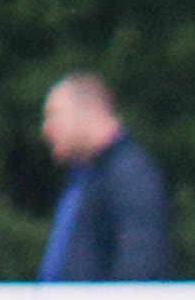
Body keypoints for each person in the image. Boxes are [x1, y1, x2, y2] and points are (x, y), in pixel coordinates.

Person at [37, 73, 170, 282]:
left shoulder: (129, 175)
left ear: (90, 112)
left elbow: (140, 268)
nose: (46, 129)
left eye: (55, 115)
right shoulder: (86, 177)